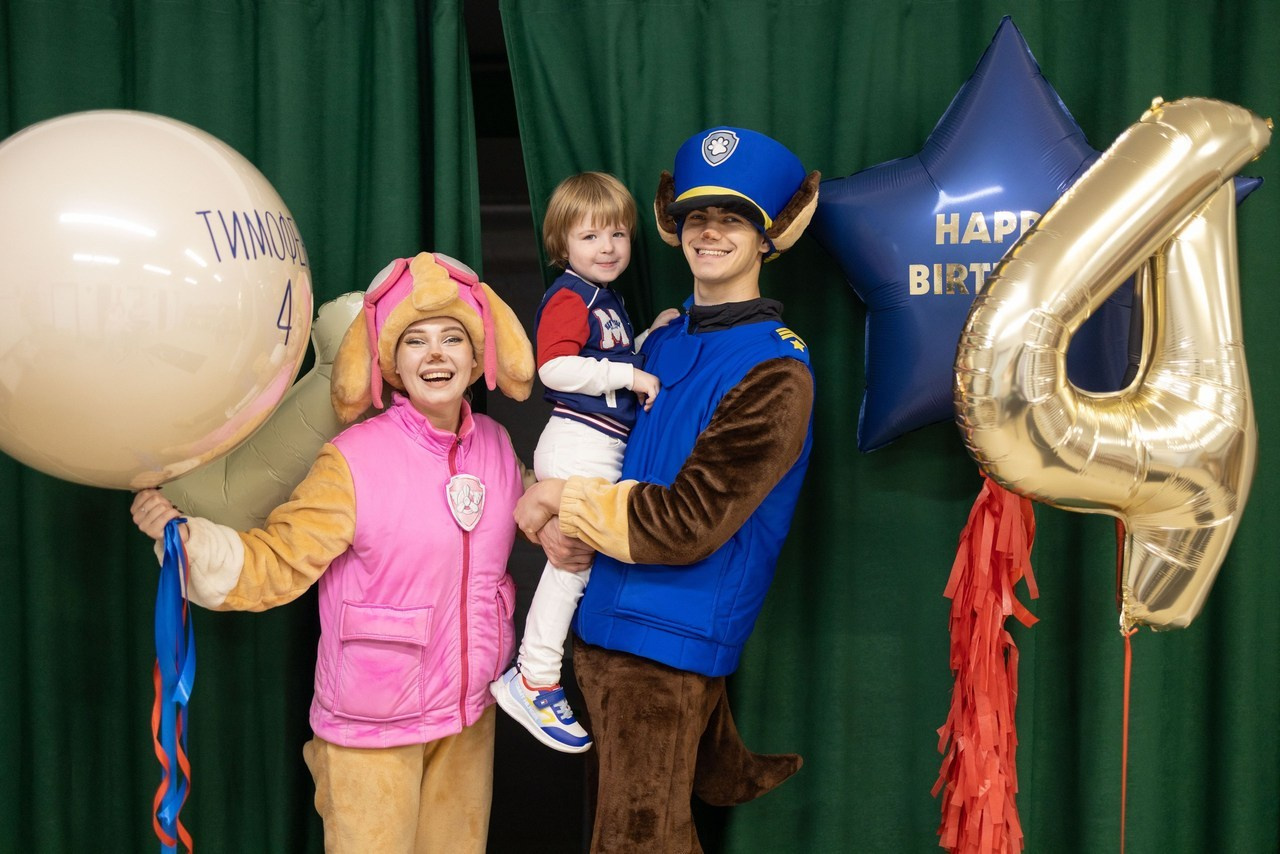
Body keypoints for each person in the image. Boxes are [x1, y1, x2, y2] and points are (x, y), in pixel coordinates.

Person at [131, 252, 572, 853]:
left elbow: (534, 518)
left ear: (477, 357)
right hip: (372, 727)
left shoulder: (495, 447)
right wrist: (184, 541)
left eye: (452, 338)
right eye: (415, 341)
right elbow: (278, 561)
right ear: (391, 362)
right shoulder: (353, 459)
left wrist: (579, 509)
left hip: (469, 717)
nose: (436, 354)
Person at [516, 127, 822, 852]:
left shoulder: (776, 373)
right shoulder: (654, 341)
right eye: (696, 217)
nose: (710, 232)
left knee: (636, 841)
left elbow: (687, 523)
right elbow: (595, 455)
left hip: (667, 642)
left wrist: (556, 500)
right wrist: (545, 512)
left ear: (769, 235)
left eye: (734, 218)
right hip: (600, 628)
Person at [490, 172, 678, 754]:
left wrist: (648, 337)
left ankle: (539, 673)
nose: (607, 247)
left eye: (617, 234)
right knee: (571, 564)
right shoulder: (570, 295)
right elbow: (557, 369)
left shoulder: (605, 299)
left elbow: (605, 357)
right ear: (562, 245)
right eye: (591, 236)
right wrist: (631, 372)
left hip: (593, 441)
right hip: (579, 441)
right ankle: (535, 676)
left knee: (582, 562)